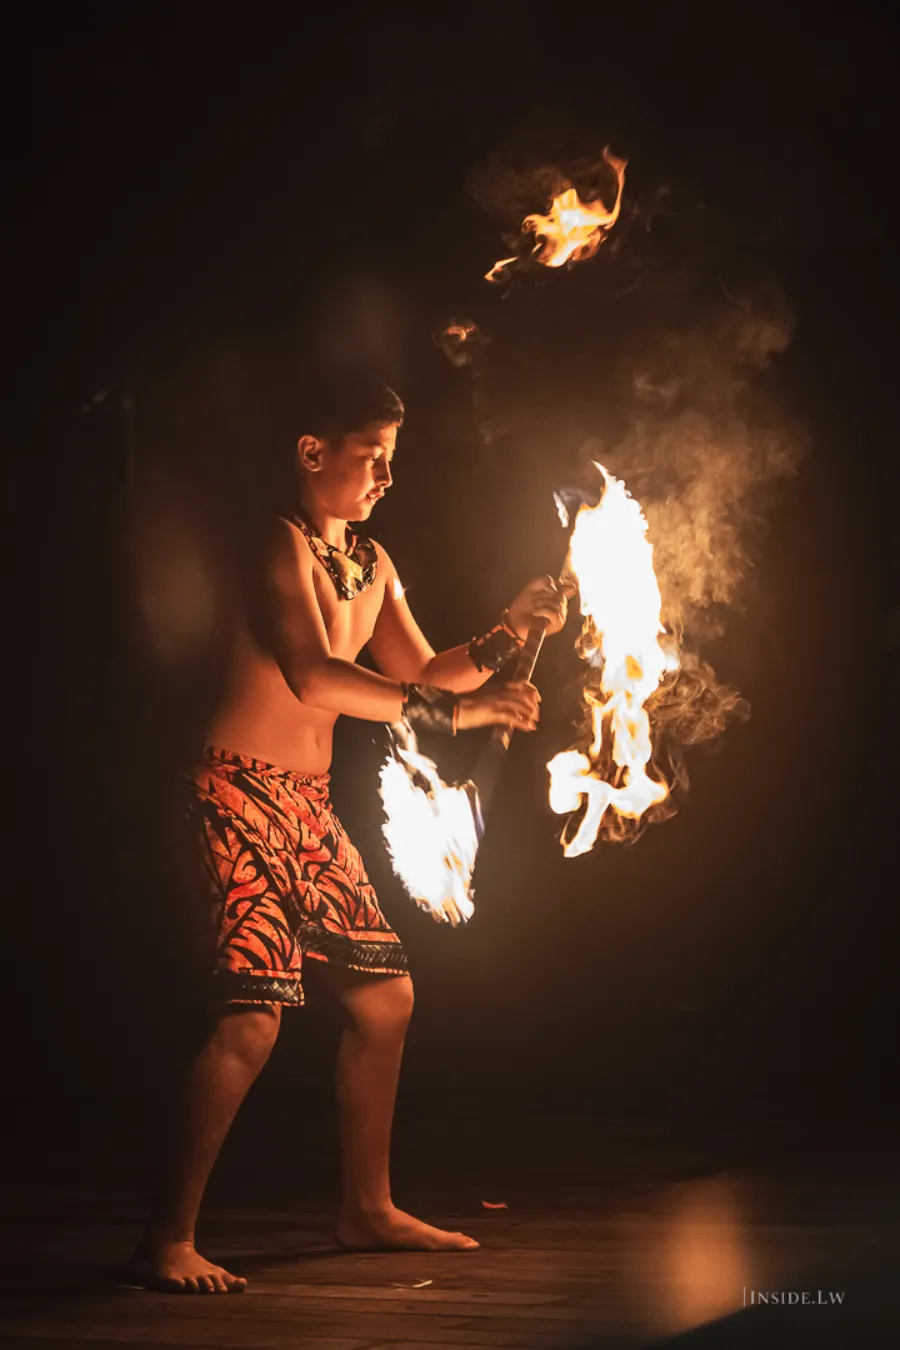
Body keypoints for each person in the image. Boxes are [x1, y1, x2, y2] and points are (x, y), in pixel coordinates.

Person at [129, 372, 568, 1292]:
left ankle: (365, 1209)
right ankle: (167, 1238)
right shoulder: (274, 542)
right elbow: (315, 675)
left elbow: (419, 667)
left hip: (309, 805)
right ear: (311, 452)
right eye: (370, 457)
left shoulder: (371, 562)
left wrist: (502, 636)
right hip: (232, 794)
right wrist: (459, 718)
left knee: (385, 999)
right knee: (252, 1020)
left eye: (391, 460)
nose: (384, 477)